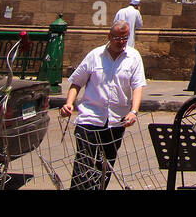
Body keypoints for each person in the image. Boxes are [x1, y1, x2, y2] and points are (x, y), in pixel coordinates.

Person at [61, 21, 145, 190]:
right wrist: (69, 103)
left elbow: (138, 86)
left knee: (105, 165)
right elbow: (77, 82)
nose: (121, 42)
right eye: (117, 38)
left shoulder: (134, 57)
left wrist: (134, 111)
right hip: (90, 118)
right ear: (109, 37)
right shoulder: (95, 55)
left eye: (125, 38)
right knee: (83, 164)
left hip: (116, 121)